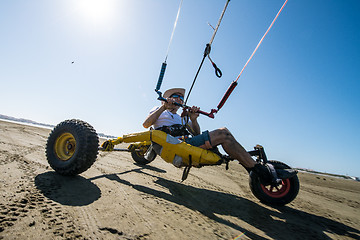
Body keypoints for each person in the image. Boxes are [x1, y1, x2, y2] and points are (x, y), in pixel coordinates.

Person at [143, 88, 296, 184]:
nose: (178, 100)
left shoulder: (181, 117)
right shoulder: (159, 108)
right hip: (172, 145)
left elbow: (196, 133)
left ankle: (254, 170)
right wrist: (163, 107)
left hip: (186, 143)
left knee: (226, 134)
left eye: (181, 99)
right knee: (223, 133)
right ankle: (259, 172)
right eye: (175, 97)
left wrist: (194, 119)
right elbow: (146, 124)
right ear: (168, 98)